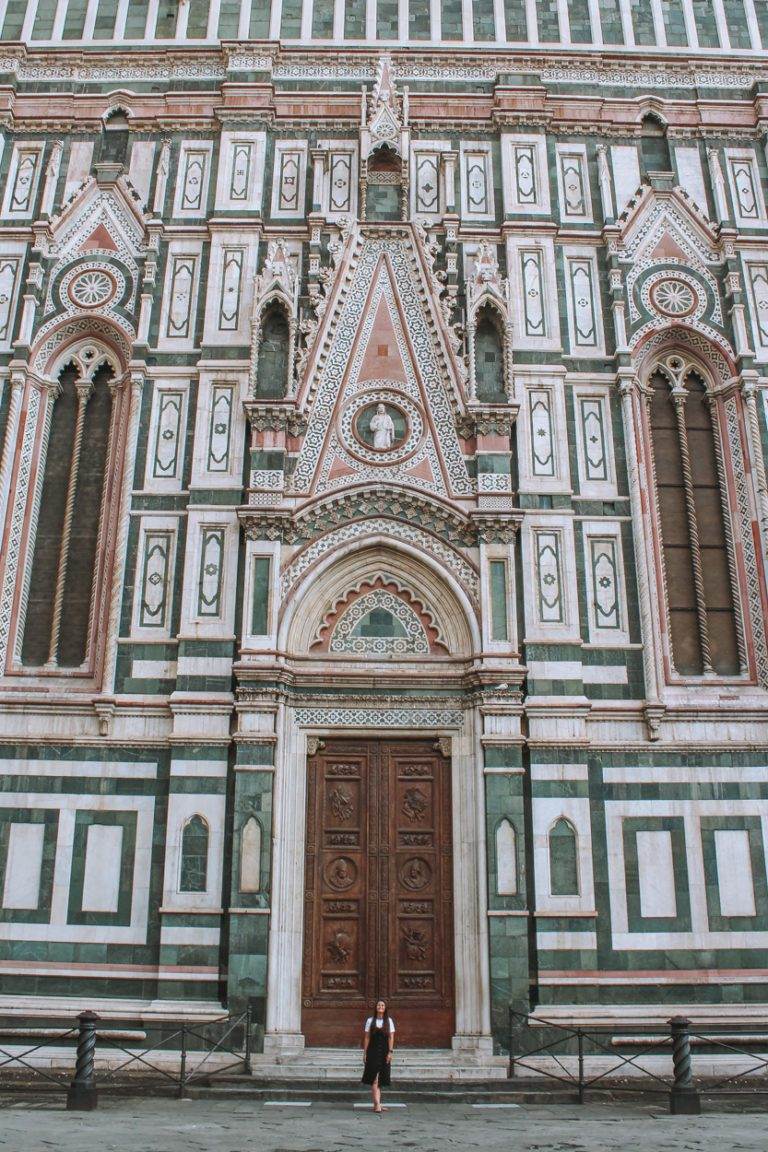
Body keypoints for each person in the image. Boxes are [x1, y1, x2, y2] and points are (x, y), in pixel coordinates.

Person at [361, 999, 395, 1113]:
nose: (380, 1006)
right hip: (373, 1052)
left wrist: (390, 1052)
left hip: (384, 1052)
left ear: (385, 1008)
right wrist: (365, 1052)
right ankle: (377, 1105)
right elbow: (367, 1037)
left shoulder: (389, 1021)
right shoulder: (370, 1021)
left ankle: (378, 1103)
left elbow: (391, 1037)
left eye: (382, 1005)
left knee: (380, 1079)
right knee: (374, 1078)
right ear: (376, 1008)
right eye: (379, 1005)